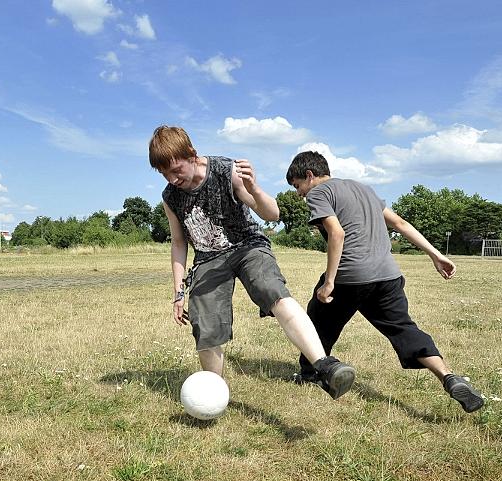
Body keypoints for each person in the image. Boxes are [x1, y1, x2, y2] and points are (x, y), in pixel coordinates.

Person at [149, 125, 356, 400]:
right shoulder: (170, 197)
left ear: (192, 155)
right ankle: (211, 395)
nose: (172, 179)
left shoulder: (225, 170)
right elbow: (178, 242)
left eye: (177, 171)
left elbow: (271, 214)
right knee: (206, 326)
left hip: (248, 246)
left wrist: (254, 189)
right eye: (165, 174)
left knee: (272, 290)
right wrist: (178, 292)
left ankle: (325, 366)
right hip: (208, 259)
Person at [285, 150, 484, 413]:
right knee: (404, 329)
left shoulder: (319, 193)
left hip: (351, 275)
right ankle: (448, 376)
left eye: (298, 186)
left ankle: (311, 373)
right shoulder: (363, 189)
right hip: (387, 276)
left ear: (309, 176)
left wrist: (330, 281)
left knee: (318, 319)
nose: (299, 194)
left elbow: (337, 233)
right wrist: (436, 255)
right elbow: (400, 223)